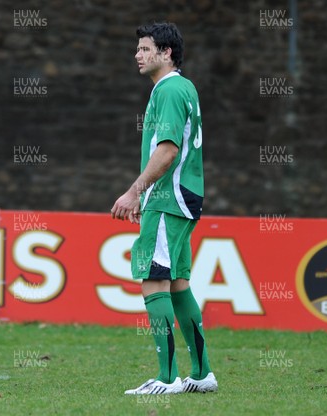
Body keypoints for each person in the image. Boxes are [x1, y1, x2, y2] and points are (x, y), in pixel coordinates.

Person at [111, 23, 217, 395]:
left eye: (144, 48)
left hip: (169, 197)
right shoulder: (183, 87)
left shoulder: (169, 90)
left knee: (153, 280)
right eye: (137, 49)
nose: (137, 55)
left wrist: (135, 191)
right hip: (184, 195)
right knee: (177, 283)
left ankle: (168, 377)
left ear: (166, 52)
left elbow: (168, 149)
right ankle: (202, 374)